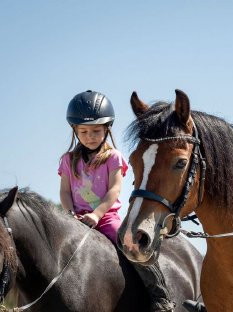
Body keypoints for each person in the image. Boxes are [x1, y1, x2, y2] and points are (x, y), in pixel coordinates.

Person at [58, 90, 175, 312]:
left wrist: (96, 215)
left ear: (107, 129)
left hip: (105, 218)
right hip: (76, 218)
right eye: (83, 131)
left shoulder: (113, 158)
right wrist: (69, 212)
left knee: (131, 244)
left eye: (96, 131)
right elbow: (64, 192)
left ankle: (159, 294)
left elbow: (114, 190)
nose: (89, 136)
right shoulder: (67, 160)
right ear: (75, 130)